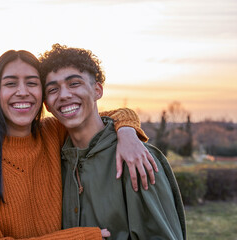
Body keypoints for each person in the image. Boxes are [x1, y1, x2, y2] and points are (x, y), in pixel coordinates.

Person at [0, 49, 155, 239]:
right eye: (10, 83)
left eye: (32, 83)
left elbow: (106, 116)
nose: (22, 91)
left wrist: (127, 132)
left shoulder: (52, 132)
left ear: (43, 96)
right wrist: (79, 237)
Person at [40, 44, 186, 240]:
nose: (64, 95)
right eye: (53, 89)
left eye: (74, 83)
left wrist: (126, 130)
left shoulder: (136, 158)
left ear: (97, 90)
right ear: (47, 105)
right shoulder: (54, 161)